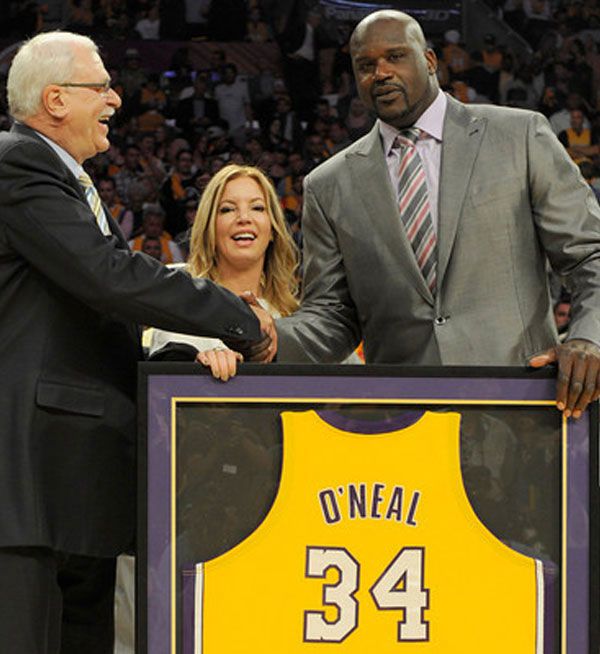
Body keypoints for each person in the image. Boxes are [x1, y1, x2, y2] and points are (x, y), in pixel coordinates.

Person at [0, 31, 274, 654]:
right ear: (55, 99)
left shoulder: (67, 182)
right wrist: (236, 317)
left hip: (72, 484)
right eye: (101, 87)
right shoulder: (18, 162)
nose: (116, 100)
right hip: (31, 483)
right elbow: (107, 278)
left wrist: (181, 358)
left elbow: (95, 321)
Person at [276, 9, 600, 420]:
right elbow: (332, 316)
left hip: (523, 409)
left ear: (429, 61)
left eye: (395, 57)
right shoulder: (328, 185)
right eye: (365, 65)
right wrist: (269, 337)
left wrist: (590, 338)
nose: (381, 73)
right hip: (403, 423)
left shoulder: (521, 136)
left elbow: (589, 255)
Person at [150, 163, 298, 381]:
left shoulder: (296, 315)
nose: (244, 218)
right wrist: (195, 368)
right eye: (227, 209)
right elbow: (159, 388)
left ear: (273, 229)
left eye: (257, 208)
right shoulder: (181, 300)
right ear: (209, 227)